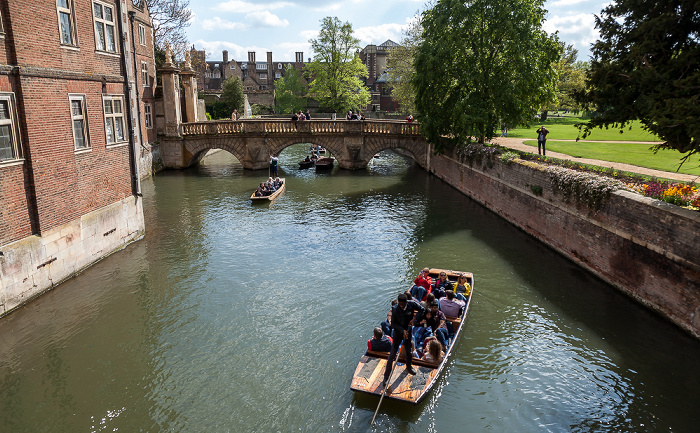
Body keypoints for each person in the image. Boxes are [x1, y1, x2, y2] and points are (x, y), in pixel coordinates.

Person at [383, 293, 424, 384]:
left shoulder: (412, 304)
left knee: (409, 351)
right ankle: (386, 377)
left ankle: (409, 367)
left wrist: (414, 319)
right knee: (392, 354)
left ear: (406, 302)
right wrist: (402, 331)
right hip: (398, 333)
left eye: (403, 304)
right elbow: (393, 324)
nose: (401, 306)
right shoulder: (395, 309)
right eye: (400, 304)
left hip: (408, 332)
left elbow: (422, 309)